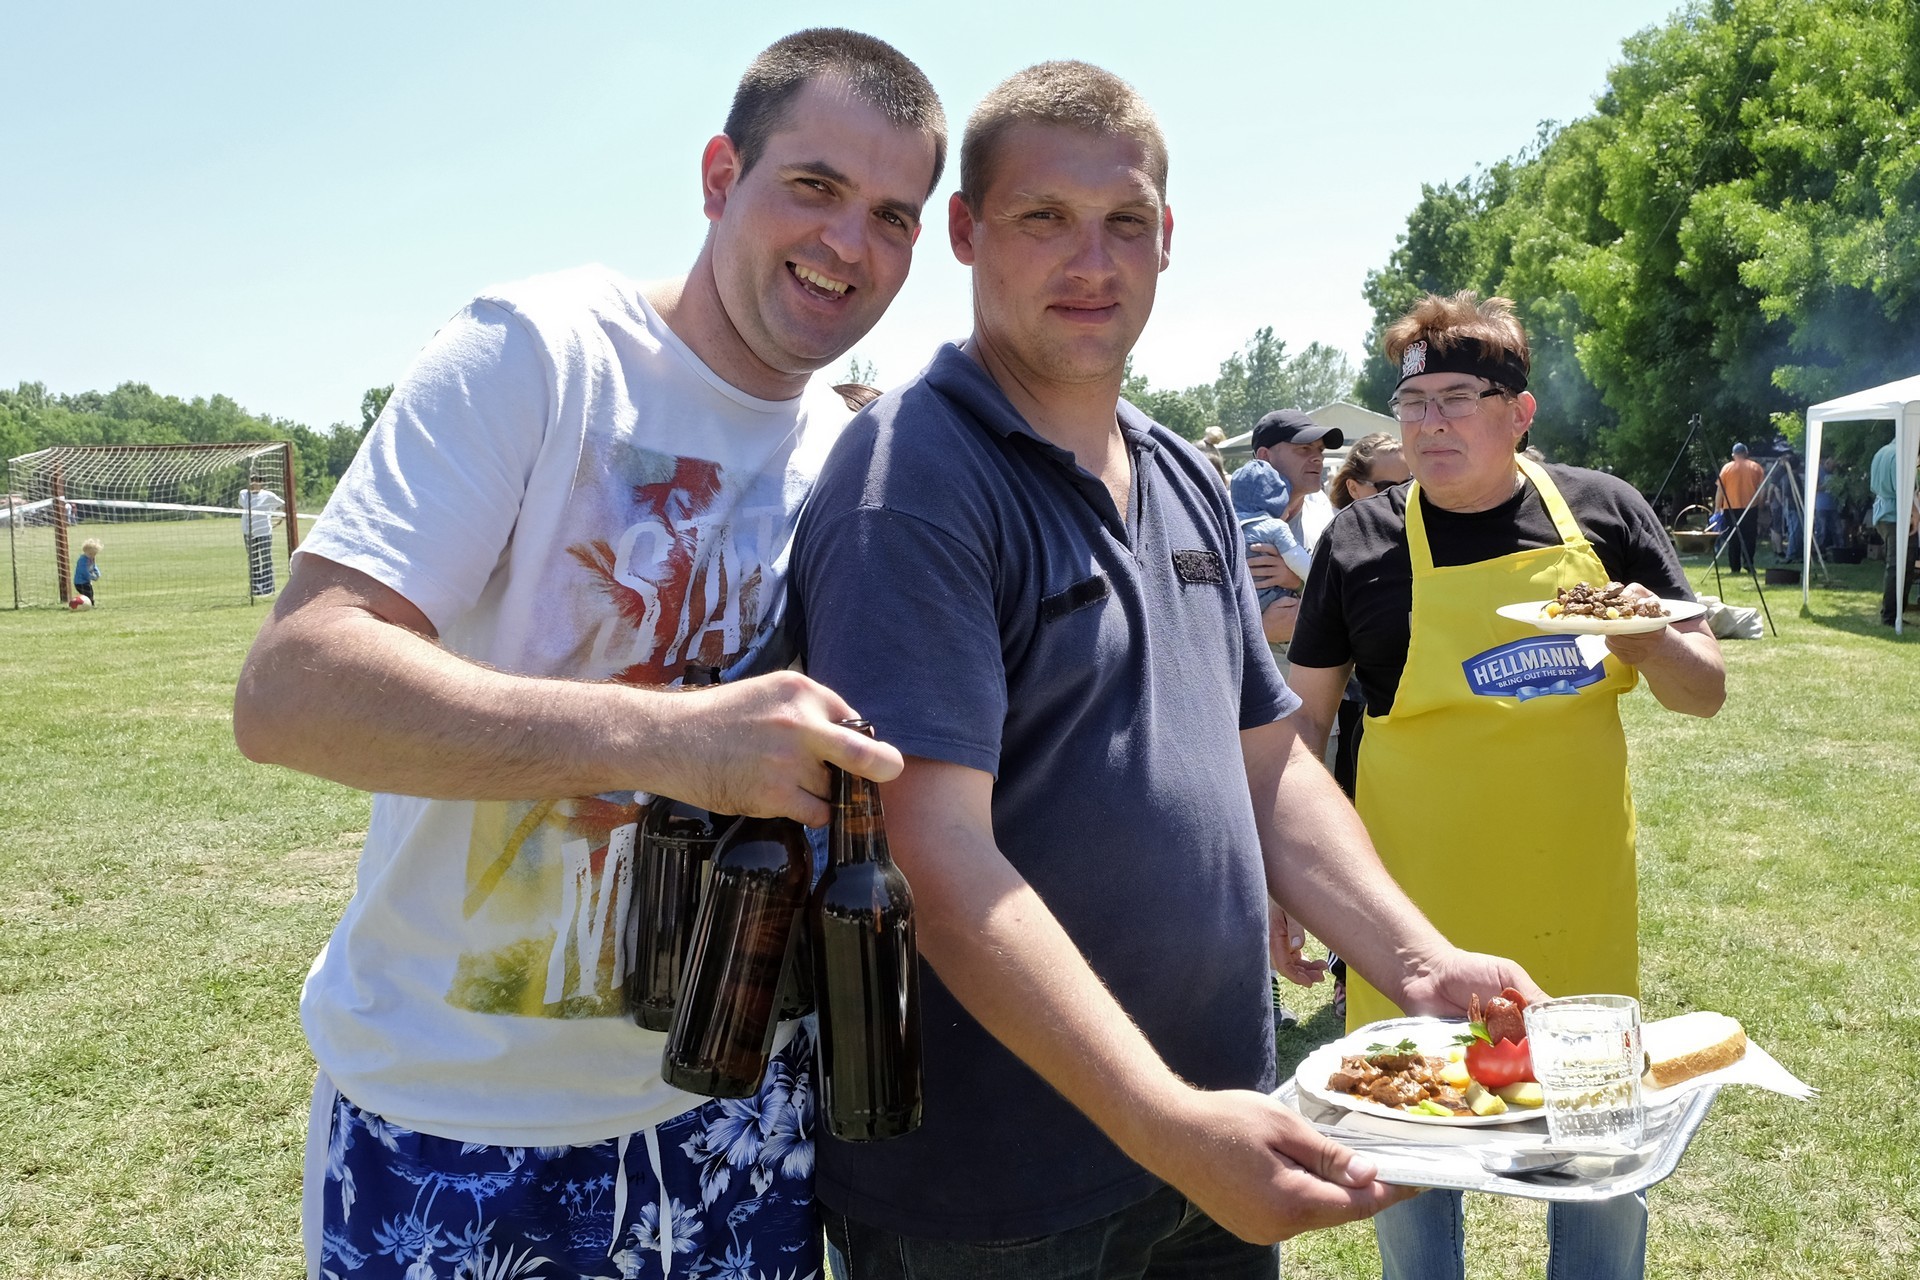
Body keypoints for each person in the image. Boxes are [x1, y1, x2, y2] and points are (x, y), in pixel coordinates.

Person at [790, 63, 1545, 1278]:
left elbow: (1269, 764)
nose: (1092, 260)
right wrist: (1163, 1118)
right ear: (966, 232)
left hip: (1214, 1133)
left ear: (1168, 235)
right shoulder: (913, 477)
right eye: (1045, 217)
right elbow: (930, 850)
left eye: (1125, 220)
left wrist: (1418, 960)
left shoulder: (1179, 472)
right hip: (1002, 1196)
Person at [231, 29, 946, 1280]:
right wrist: (670, 739)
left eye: (893, 215)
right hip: (460, 1120)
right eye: (814, 186)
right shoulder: (541, 352)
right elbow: (295, 688)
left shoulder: (847, 456)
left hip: (737, 1120)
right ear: (720, 176)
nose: (849, 243)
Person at [1287, 291, 1728, 1280]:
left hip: (1575, 900)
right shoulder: (1358, 542)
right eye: (1412, 403)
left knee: (1598, 1157)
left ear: (1520, 411)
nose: (1430, 423)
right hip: (1407, 916)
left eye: (1458, 399)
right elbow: (1303, 724)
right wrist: (1286, 885)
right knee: (1409, 1152)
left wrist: (1648, 634)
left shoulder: (1605, 514)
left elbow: (1704, 692)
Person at [1318, 432, 1410, 1018]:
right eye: (1391, 484)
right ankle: (1348, 972)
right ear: (1355, 487)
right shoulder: (1345, 541)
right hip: (1356, 718)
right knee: (1359, 852)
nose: (1406, 492)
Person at [1229, 453, 1313, 610]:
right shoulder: (1275, 527)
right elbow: (1301, 564)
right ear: (1277, 504)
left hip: (1240, 605)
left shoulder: (1228, 526)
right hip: (1272, 601)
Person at [1870, 435, 1919, 624]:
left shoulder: (1881, 452)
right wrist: (1914, 512)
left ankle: (1894, 613)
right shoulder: (1900, 456)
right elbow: (1902, 489)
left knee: (1898, 565)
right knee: (1900, 567)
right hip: (1896, 515)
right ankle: (1891, 615)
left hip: (1883, 513)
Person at [1715, 441, 1765, 573]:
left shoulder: (1726, 468)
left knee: (1733, 537)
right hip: (1750, 507)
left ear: (1733, 455)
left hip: (1730, 507)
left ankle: (1735, 566)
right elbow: (1762, 489)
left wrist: (1717, 507)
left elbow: (1720, 490)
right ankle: (1748, 563)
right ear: (1746, 453)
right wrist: (1761, 504)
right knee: (1749, 537)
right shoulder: (1756, 467)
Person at [237, 479, 286, 596]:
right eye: (252, 480)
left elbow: (283, 504)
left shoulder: (268, 495)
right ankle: (256, 588)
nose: (253, 483)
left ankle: (268, 588)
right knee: (253, 560)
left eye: (256, 481)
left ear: (261, 483)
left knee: (266, 559)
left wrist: (279, 520)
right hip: (248, 532)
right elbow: (242, 504)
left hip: (264, 532)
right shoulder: (243, 494)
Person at [72, 538, 102, 604]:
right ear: (85, 551)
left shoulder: (91, 558)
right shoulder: (82, 560)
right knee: (88, 593)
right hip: (80, 582)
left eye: (94, 554)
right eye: (90, 554)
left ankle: (88, 603)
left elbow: (94, 566)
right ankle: (88, 603)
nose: (92, 556)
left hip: (86, 581)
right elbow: (84, 571)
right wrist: (92, 577)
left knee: (90, 592)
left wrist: (97, 573)